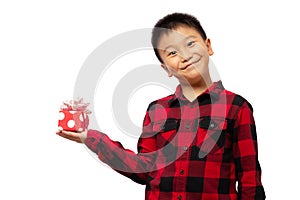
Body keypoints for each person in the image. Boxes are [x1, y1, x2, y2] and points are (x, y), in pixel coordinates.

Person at [57, 12, 266, 199]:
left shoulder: (237, 108)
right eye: (172, 53)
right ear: (166, 68)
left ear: (208, 46)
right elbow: (143, 170)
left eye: (190, 44)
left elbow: (250, 181)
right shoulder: (157, 111)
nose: (184, 56)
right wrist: (91, 138)